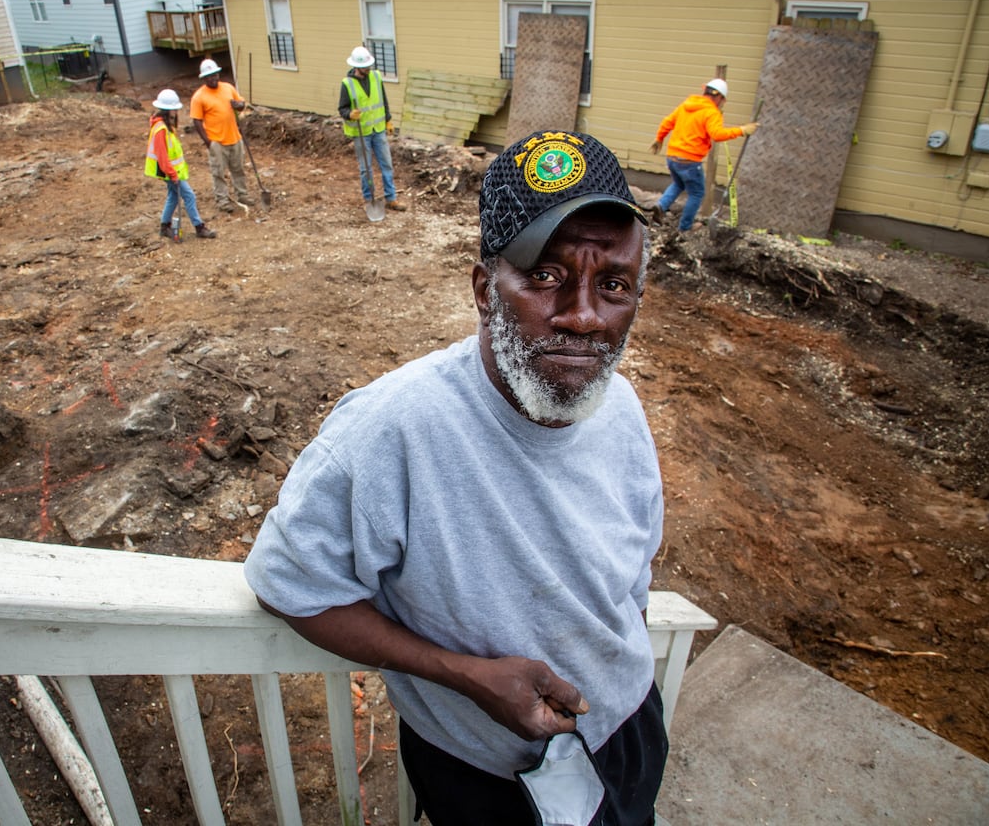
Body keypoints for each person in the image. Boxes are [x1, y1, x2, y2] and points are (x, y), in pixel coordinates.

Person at [245, 130, 666, 826]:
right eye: (547, 276)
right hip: (485, 773)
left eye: (613, 285)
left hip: (627, 731)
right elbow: (290, 586)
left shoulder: (620, 404)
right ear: (483, 289)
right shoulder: (392, 429)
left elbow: (633, 570)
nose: (585, 316)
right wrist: (465, 676)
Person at [649, 78, 759, 232]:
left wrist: (659, 138)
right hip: (689, 160)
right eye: (723, 100)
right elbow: (717, 134)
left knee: (678, 184)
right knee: (697, 192)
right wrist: (741, 130)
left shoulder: (687, 105)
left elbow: (667, 122)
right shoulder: (711, 112)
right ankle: (685, 227)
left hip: (672, 156)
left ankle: (661, 206)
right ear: (719, 97)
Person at [338, 45, 405, 211]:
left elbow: (383, 100)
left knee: (387, 165)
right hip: (361, 133)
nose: (368, 69)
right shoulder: (347, 84)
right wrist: (349, 114)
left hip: (378, 129)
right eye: (364, 67)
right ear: (357, 67)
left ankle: (391, 198)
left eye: (368, 66)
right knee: (366, 168)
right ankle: (369, 199)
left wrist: (388, 120)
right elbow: (342, 108)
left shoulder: (376, 77)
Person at [145, 89, 216, 241]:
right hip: (168, 171)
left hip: (170, 171)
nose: (176, 113)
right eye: (175, 110)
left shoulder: (165, 126)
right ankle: (199, 227)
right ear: (168, 110)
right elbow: (162, 156)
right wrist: (172, 174)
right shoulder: (161, 129)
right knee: (189, 196)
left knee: (173, 196)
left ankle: (165, 226)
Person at [189, 58, 254, 213]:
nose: (213, 78)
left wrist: (239, 106)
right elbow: (197, 121)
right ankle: (222, 200)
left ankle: (242, 195)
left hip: (235, 137)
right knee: (218, 172)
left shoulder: (228, 88)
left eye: (215, 74)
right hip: (216, 140)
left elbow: (240, 104)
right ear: (204, 78)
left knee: (238, 169)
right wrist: (208, 142)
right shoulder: (199, 97)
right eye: (209, 76)